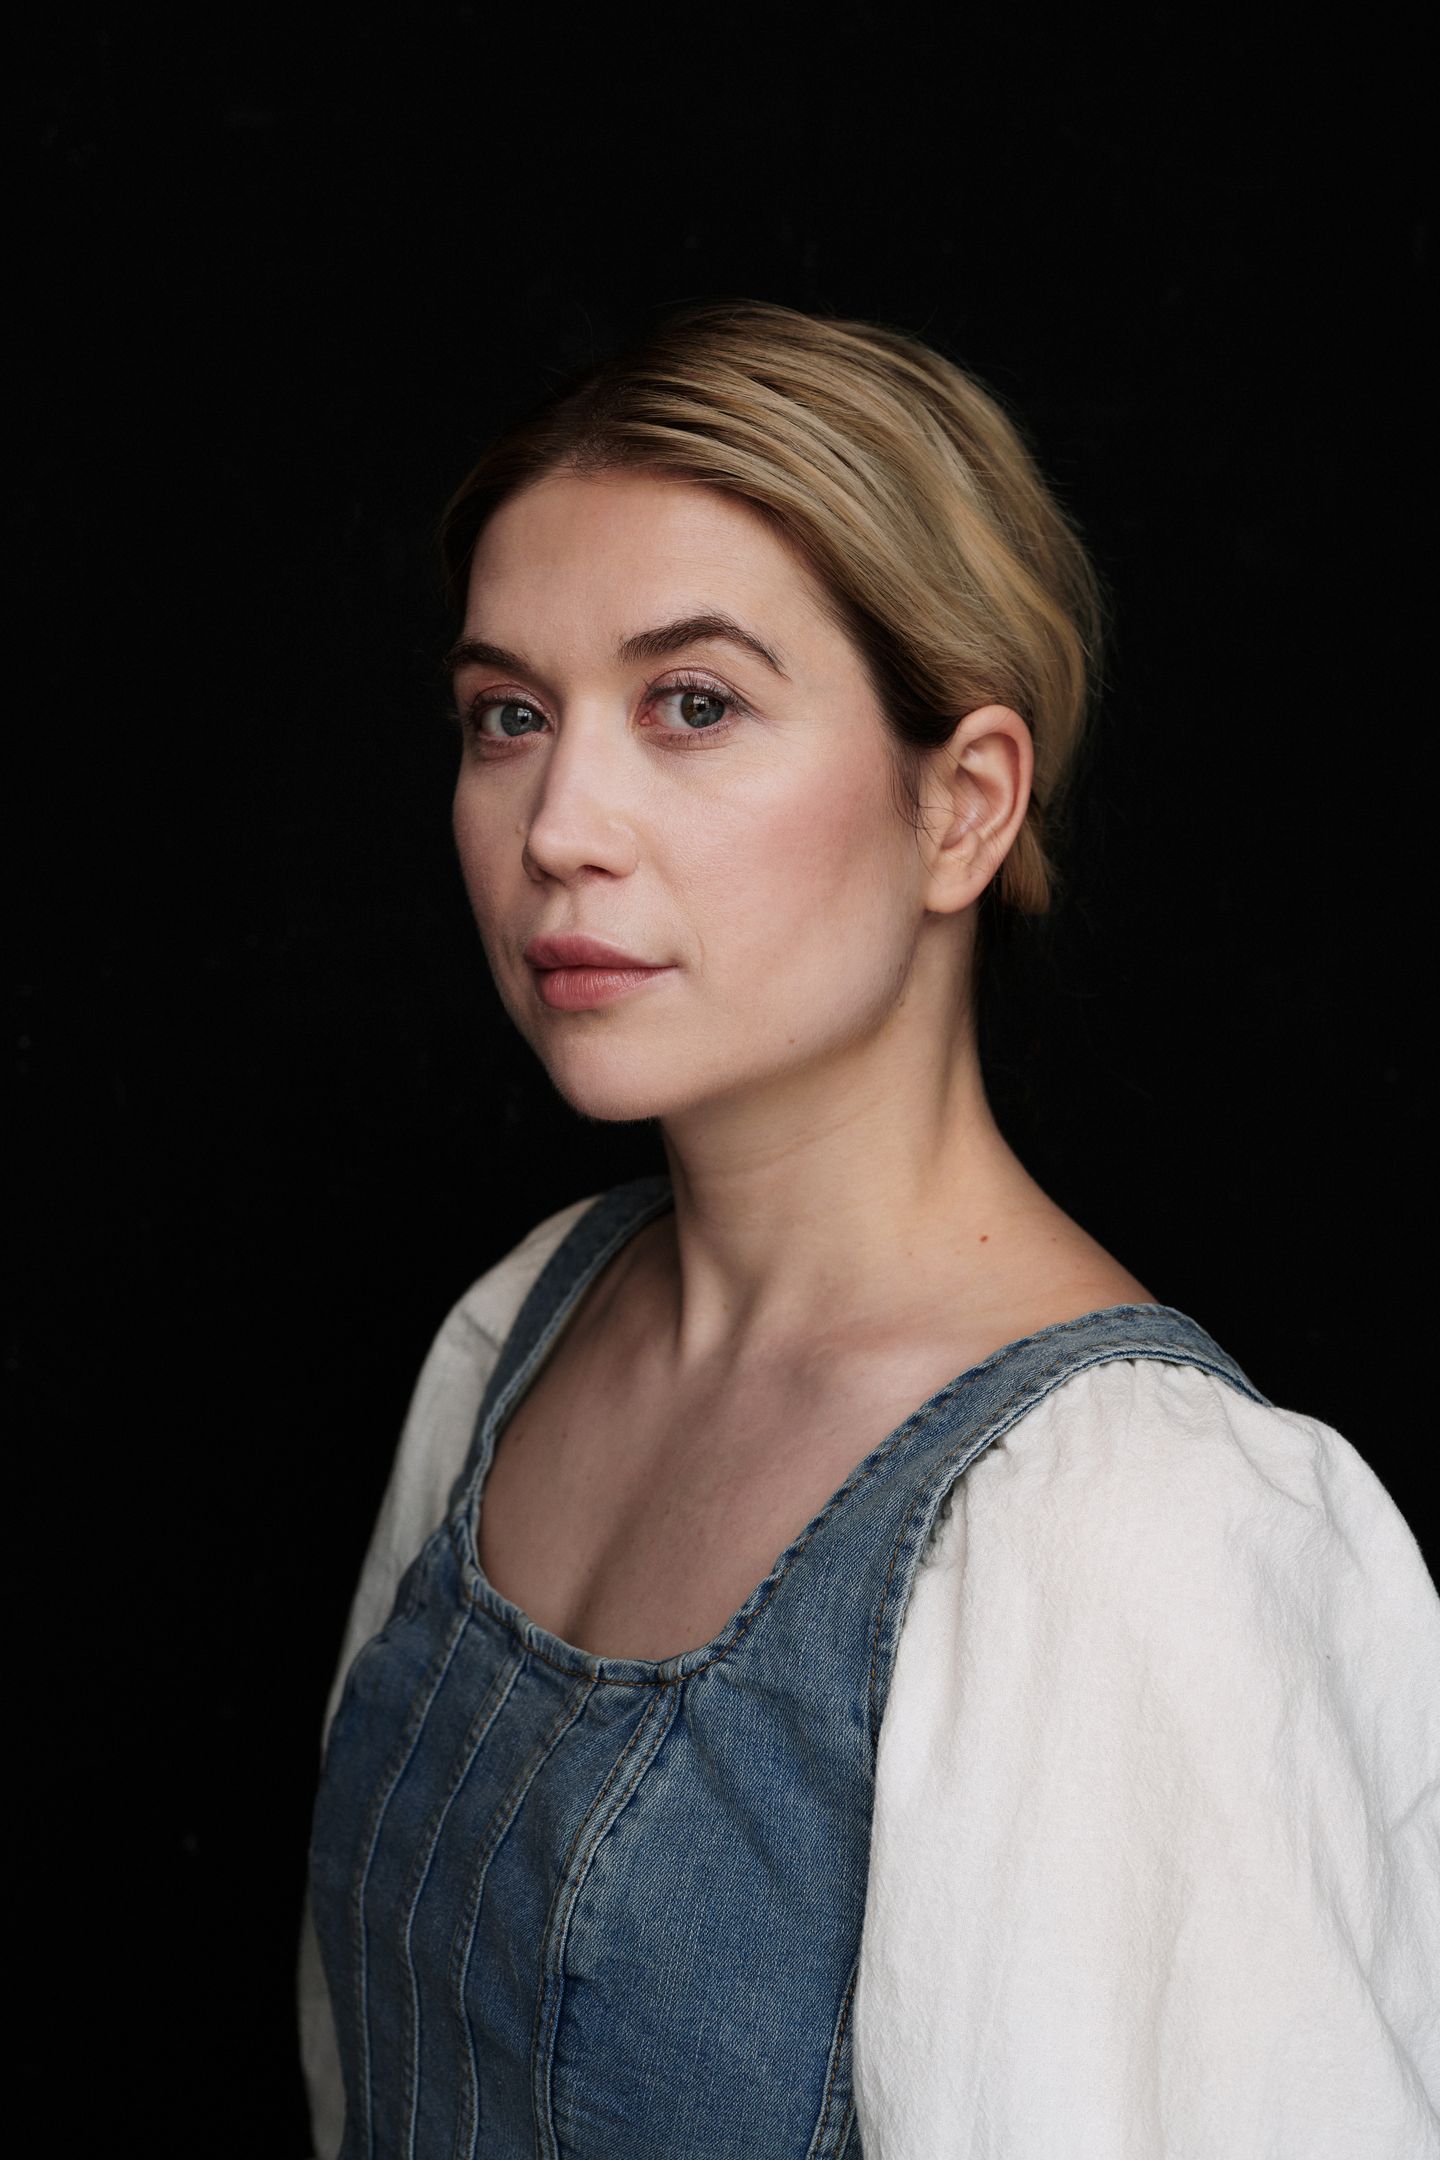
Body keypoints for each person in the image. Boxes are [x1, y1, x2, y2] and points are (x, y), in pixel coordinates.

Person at [298, 300, 1440, 2159]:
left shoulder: (1127, 1535)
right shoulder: (521, 1330)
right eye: (510, 715)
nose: (560, 825)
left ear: (962, 807)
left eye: (693, 704)